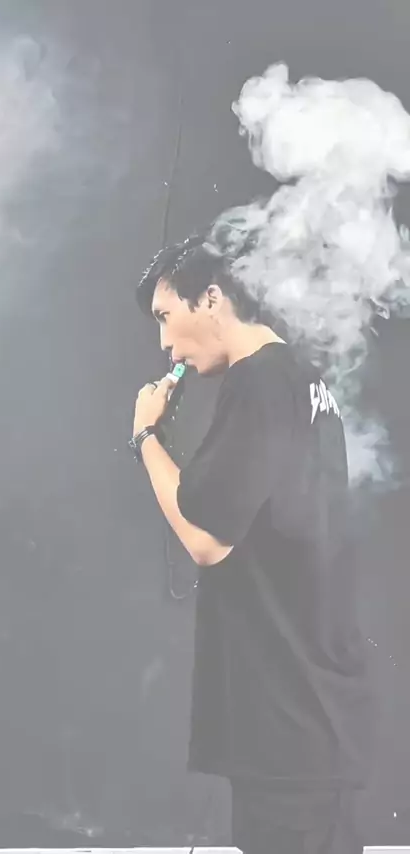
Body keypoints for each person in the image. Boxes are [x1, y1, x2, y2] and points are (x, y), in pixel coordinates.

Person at [131, 232, 377, 854]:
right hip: (318, 714)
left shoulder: (259, 381)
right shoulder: (304, 381)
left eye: (165, 315)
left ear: (211, 299)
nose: (163, 342)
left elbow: (206, 540)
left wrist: (146, 438)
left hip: (285, 723)